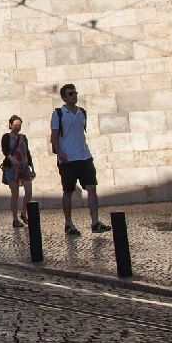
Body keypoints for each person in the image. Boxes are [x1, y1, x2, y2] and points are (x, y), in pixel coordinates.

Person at [51, 84, 110, 235]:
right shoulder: (58, 114)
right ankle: (68, 222)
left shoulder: (82, 112)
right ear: (64, 97)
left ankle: (95, 222)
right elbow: (54, 137)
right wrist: (60, 153)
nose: (74, 96)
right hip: (67, 160)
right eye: (70, 94)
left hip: (84, 156)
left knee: (91, 187)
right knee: (68, 191)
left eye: (75, 93)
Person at [1, 114, 34, 227]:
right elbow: (5, 150)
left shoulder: (23, 137)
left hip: (24, 167)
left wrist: (32, 167)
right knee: (15, 193)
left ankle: (24, 213)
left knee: (29, 191)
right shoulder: (6, 137)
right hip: (11, 167)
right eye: (15, 125)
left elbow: (27, 152)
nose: (18, 127)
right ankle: (15, 219)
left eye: (19, 125)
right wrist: (11, 158)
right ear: (10, 125)